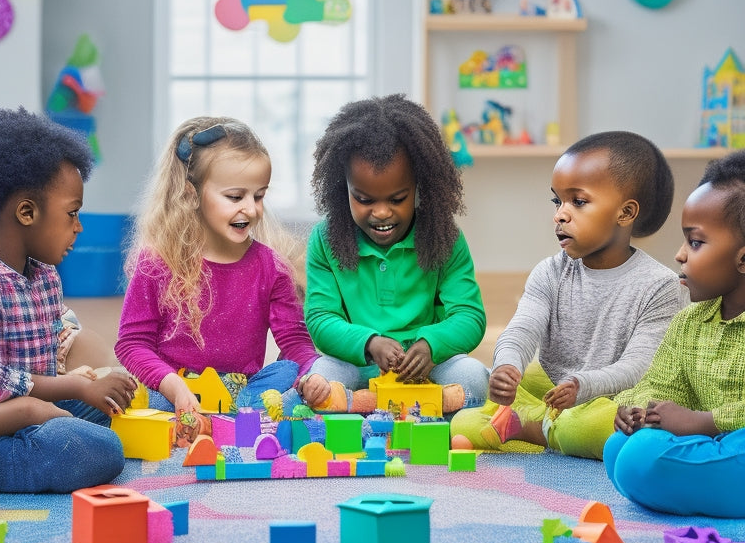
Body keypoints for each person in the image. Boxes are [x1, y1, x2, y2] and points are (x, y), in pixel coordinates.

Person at [450, 131, 688, 459]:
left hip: (613, 400)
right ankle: (547, 428)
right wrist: (506, 366)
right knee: (464, 420)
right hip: (557, 389)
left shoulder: (661, 286)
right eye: (557, 201)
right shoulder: (549, 272)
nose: (560, 214)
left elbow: (638, 368)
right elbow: (522, 329)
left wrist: (582, 385)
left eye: (578, 201)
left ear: (626, 213)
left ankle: (528, 429)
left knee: (598, 426)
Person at [115, 116, 332, 445]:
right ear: (192, 194)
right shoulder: (158, 261)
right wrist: (173, 385)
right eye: (235, 197)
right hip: (175, 391)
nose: (251, 209)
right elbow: (132, 344)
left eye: (258, 196)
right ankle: (228, 426)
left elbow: (295, 345)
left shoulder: (271, 266)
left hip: (244, 391)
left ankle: (219, 425)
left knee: (288, 375)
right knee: (140, 399)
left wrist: (312, 376)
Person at [0, 107, 134, 493]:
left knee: (124, 410)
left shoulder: (45, 277)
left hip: (39, 415)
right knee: (98, 452)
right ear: (26, 212)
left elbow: (52, 352)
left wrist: (91, 384)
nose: (79, 227)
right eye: (72, 214)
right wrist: (73, 390)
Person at [304, 94, 488, 415]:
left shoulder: (443, 236)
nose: (381, 212)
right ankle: (416, 409)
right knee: (319, 378)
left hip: (426, 371)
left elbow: (470, 316)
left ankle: (365, 407)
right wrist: (368, 342)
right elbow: (320, 319)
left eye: (397, 198)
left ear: (420, 185)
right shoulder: (325, 238)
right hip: (357, 368)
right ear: (342, 188)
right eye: (363, 199)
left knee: (473, 377)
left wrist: (432, 344)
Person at [605, 151, 745, 517]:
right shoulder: (690, 322)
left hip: (734, 440)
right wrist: (638, 410)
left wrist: (703, 422)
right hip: (716, 443)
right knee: (618, 447)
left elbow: (698, 419)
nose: (680, 255)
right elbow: (663, 383)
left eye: (695, 243)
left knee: (639, 460)